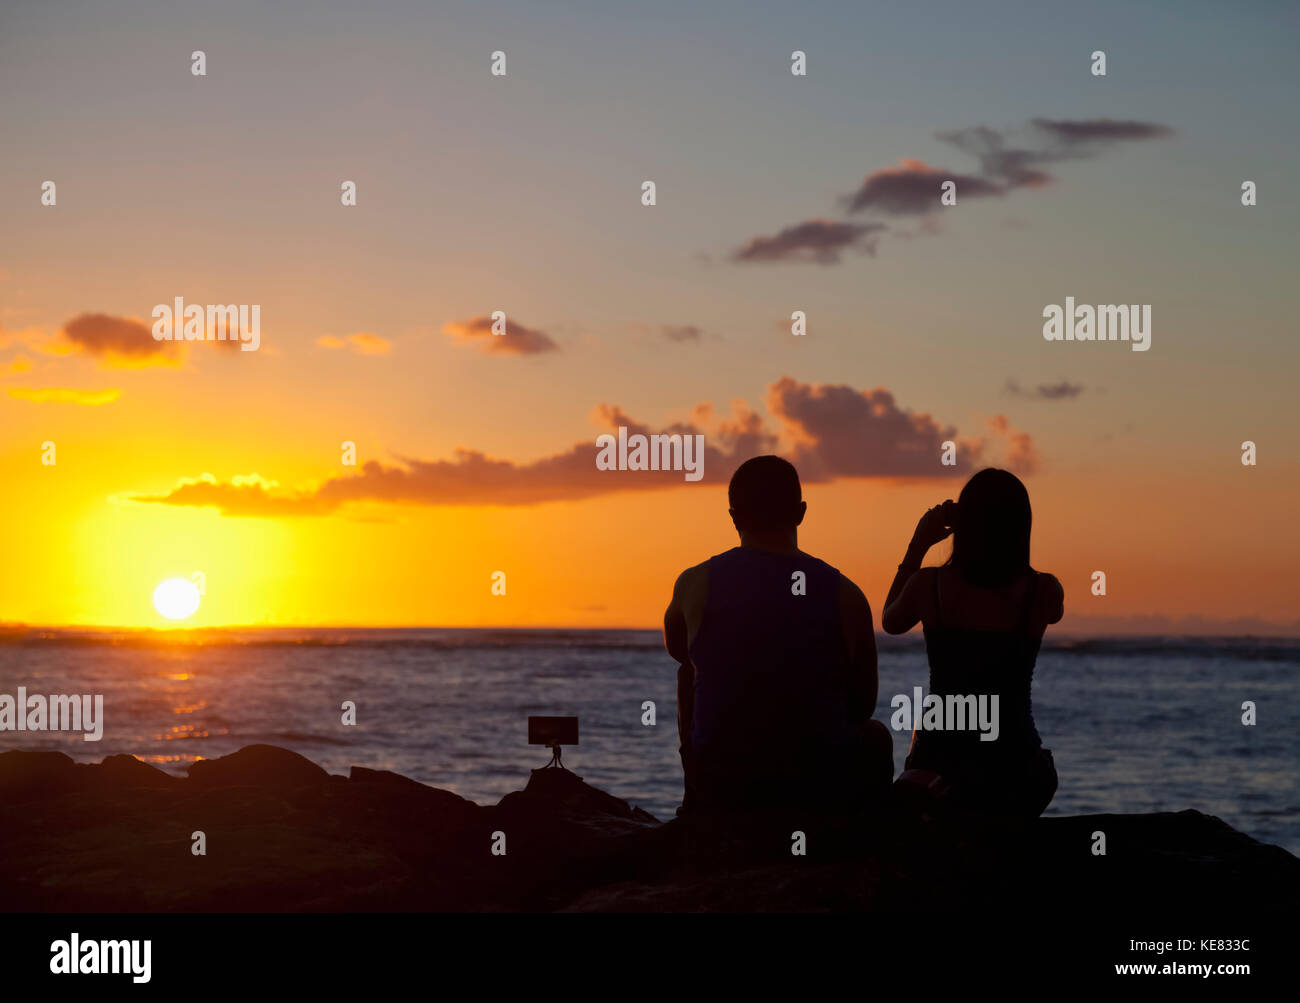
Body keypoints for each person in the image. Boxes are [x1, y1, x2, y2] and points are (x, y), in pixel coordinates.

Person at [663, 456, 892, 814]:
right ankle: (861, 839)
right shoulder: (847, 594)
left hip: (725, 779)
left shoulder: (694, 583)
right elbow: (863, 703)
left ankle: (696, 803)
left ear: (734, 517)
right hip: (815, 780)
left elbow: (679, 651)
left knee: (688, 673)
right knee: (876, 736)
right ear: (800, 512)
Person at [881, 468, 1062, 819]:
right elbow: (1052, 614)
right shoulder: (1043, 591)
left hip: (938, 769)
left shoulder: (928, 585)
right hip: (1016, 770)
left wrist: (919, 543)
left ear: (962, 525)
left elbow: (891, 621)